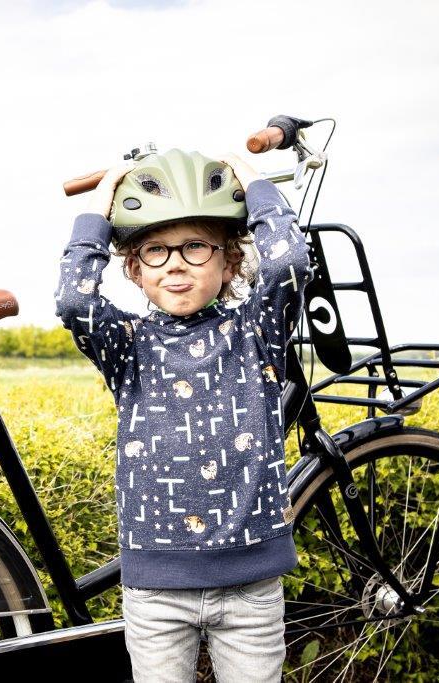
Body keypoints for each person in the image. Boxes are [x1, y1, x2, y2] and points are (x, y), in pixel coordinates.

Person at [54, 148, 313, 682]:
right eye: (155, 250)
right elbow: (74, 301)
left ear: (229, 261)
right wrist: (102, 202)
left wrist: (251, 178)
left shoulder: (256, 333)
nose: (175, 263)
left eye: (196, 246)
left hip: (251, 589)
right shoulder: (128, 345)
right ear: (134, 267)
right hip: (156, 592)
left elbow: (289, 263)